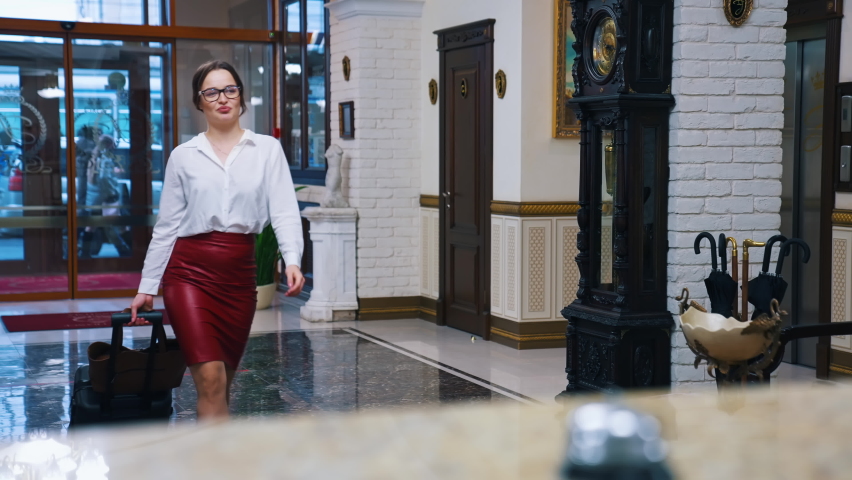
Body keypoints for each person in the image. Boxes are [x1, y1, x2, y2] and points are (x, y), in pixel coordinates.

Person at [129, 60, 305, 420]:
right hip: (189, 274)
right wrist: (147, 285)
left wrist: (292, 259)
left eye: (230, 90)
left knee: (222, 382)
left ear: (241, 97)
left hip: (239, 278)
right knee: (208, 379)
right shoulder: (183, 157)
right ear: (200, 102)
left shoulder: (267, 150)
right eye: (211, 92)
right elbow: (167, 226)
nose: (222, 98)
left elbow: (284, 209)